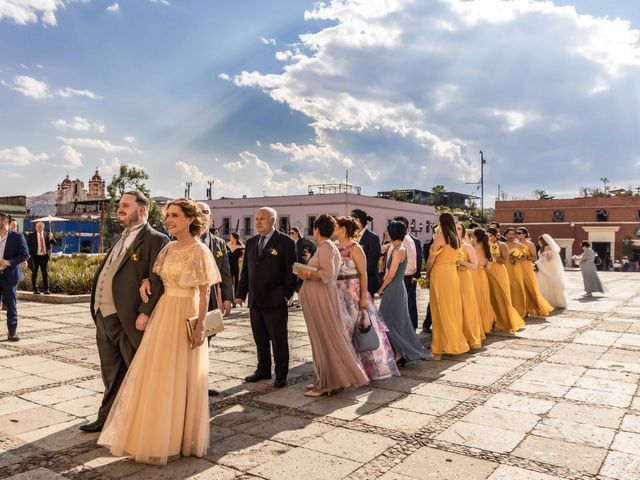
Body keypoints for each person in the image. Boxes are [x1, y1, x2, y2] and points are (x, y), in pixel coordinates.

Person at [98, 198, 220, 464]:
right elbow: (158, 278)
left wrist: (200, 327)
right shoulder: (168, 248)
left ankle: (178, 436)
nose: (169, 221)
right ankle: (154, 433)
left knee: (181, 374)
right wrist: (145, 282)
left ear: (190, 219)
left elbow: (205, 290)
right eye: (167, 216)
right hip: (163, 312)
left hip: (186, 311)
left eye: (175, 215)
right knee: (158, 373)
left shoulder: (200, 251)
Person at [81, 191, 169, 434]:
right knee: (111, 372)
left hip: (129, 317)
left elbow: (157, 278)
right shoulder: (121, 236)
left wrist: (145, 312)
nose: (119, 209)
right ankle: (106, 417)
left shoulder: (156, 239)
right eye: (119, 205)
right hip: (103, 316)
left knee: (137, 371)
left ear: (142, 210)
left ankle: (143, 422)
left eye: (125, 205)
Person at [297, 214, 369, 396]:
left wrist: (305, 273)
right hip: (318, 297)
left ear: (317, 229)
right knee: (320, 339)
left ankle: (326, 383)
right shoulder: (325, 247)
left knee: (326, 338)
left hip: (322, 298)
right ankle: (323, 377)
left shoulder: (327, 247)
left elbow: (327, 275)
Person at [235, 207, 297, 388]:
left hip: (275, 299)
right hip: (255, 300)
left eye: (262, 219)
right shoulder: (252, 242)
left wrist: (286, 294)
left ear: (273, 220)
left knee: (278, 339)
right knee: (259, 338)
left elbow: (291, 271)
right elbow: (245, 271)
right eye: (256, 219)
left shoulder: (285, 242)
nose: (258, 222)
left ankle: (281, 374)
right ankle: (263, 370)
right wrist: (240, 294)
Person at [333, 216, 399, 381]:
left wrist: (363, 297)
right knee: (342, 333)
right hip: (337, 294)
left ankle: (366, 370)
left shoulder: (355, 248)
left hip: (354, 295)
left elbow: (364, 274)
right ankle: (347, 369)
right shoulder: (333, 247)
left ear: (343, 229)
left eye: (335, 226)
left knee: (360, 332)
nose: (332, 229)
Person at [378, 221, 428, 365]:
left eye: (387, 231)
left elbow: (392, 274)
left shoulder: (400, 250)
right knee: (390, 322)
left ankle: (401, 353)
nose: (385, 233)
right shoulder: (395, 248)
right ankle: (399, 353)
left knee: (387, 321)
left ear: (392, 233)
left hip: (394, 289)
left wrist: (381, 289)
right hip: (394, 289)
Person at [198, 202, 233, 397]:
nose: (202, 215)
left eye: (206, 212)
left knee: (206, 342)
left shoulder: (219, 243)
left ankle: (201, 382)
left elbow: (225, 272)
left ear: (211, 217)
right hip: (188, 299)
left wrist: (227, 298)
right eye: (199, 212)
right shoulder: (183, 239)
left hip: (211, 299)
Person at [425, 213, 469, 360]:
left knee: (439, 310)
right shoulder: (456, 238)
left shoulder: (440, 237)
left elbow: (431, 260)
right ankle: (453, 344)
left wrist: (427, 274)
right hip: (451, 273)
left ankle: (438, 350)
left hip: (441, 273)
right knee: (451, 309)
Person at [485, 227, 525, 333]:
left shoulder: (502, 245)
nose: (489, 238)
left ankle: (503, 323)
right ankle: (493, 321)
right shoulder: (485, 245)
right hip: (488, 273)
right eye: (487, 236)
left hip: (499, 272)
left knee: (501, 297)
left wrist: (494, 256)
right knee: (491, 297)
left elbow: (504, 260)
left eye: (491, 236)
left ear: (496, 236)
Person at [0, 212, 29, 341]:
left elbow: (25, 255)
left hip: (10, 276)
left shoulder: (17, 237)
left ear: (4, 221)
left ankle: (12, 332)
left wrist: (9, 262)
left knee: (11, 305)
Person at [455, 222, 483, 350]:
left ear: (463, 231)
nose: (456, 230)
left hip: (464, 278)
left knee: (465, 306)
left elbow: (474, 265)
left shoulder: (467, 247)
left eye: (459, 228)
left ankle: (468, 336)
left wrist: (462, 263)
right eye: (454, 228)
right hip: (451, 278)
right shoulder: (448, 246)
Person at [516, 227, 553, 316]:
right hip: (516, 267)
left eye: (519, 233)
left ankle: (534, 307)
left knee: (529, 288)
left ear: (525, 234)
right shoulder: (515, 244)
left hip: (526, 267)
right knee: (519, 288)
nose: (518, 234)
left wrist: (526, 258)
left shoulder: (530, 244)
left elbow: (534, 257)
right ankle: (521, 308)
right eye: (517, 233)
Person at [393, 216, 421, 330]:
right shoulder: (395, 240)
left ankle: (411, 327)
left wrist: (416, 276)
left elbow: (418, 259)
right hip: (404, 276)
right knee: (408, 303)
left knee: (410, 303)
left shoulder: (414, 240)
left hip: (408, 276)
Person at [470, 228, 497, 333]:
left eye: (473, 236)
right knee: (483, 300)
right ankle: (486, 324)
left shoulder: (473, 247)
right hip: (482, 275)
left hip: (473, 275)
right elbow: (488, 268)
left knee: (474, 301)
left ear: (476, 236)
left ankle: (477, 325)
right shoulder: (487, 247)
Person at [351, 209, 381, 298]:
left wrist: (357, 275)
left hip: (367, 282)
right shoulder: (351, 237)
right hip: (353, 282)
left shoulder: (373, 237)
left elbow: (372, 262)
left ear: (358, 221)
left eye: (351, 219)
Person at [536, 234, 568, 308]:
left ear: (542, 241)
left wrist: (541, 260)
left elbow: (549, 258)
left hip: (544, 267)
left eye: (539, 240)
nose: (538, 241)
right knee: (543, 284)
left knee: (546, 284)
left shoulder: (547, 247)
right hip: (541, 266)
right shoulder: (543, 247)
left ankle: (549, 301)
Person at [26, 222, 57, 294]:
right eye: (37, 226)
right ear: (35, 227)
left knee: (45, 273)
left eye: (40, 227)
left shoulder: (47, 234)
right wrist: (30, 254)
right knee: (34, 273)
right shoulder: (31, 235)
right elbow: (27, 246)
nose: (39, 228)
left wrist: (52, 238)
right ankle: (35, 289)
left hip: (44, 257)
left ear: (43, 227)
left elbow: (55, 243)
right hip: (35, 257)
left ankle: (46, 289)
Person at [504, 227, 528, 318]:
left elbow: (525, 257)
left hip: (516, 269)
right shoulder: (502, 245)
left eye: (513, 234)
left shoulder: (519, 245)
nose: (511, 236)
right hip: (505, 268)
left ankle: (520, 311)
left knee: (518, 288)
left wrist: (517, 259)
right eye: (509, 234)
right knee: (507, 289)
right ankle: (509, 310)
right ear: (505, 234)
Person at [421, 235, 435, 334]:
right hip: (434, 275)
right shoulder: (427, 245)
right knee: (432, 300)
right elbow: (428, 261)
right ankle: (427, 324)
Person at [226, 232, 245, 299]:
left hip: (237, 266)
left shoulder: (241, 246)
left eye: (231, 237)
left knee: (236, 282)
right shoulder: (227, 244)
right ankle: (230, 298)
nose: (230, 238)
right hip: (228, 266)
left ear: (235, 238)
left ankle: (236, 299)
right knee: (229, 283)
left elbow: (244, 257)